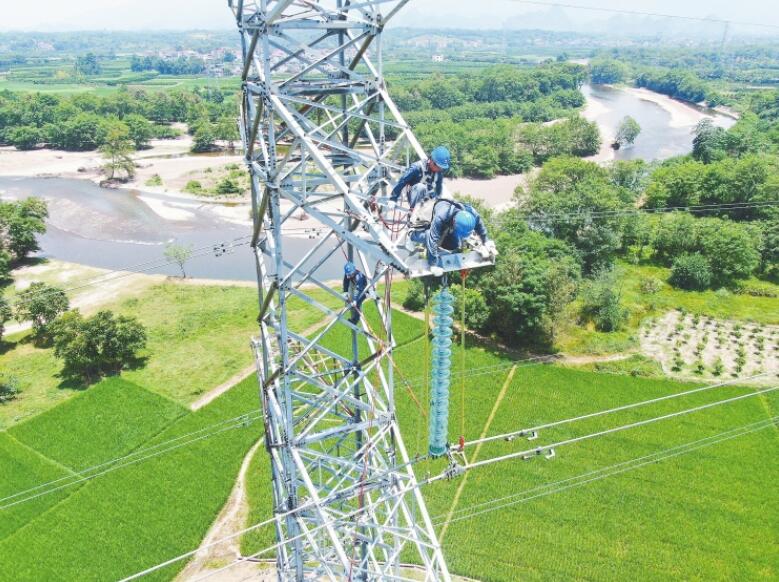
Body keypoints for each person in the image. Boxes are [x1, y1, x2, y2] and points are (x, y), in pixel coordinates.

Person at [407, 199, 496, 275]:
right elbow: (432, 239)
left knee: (454, 244)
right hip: (431, 214)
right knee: (429, 235)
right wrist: (433, 264)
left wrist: (486, 241)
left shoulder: (471, 214)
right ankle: (411, 235)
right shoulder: (441, 216)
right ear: (454, 223)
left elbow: (479, 225)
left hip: (449, 221)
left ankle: (439, 248)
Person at [389, 146, 451, 210]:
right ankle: (414, 210)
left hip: (427, 196)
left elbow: (438, 189)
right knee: (420, 187)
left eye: (441, 168)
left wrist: (438, 201)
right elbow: (402, 181)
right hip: (414, 195)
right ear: (431, 161)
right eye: (438, 167)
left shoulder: (438, 172)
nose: (439, 169)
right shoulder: (416, 167)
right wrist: (393, 199)